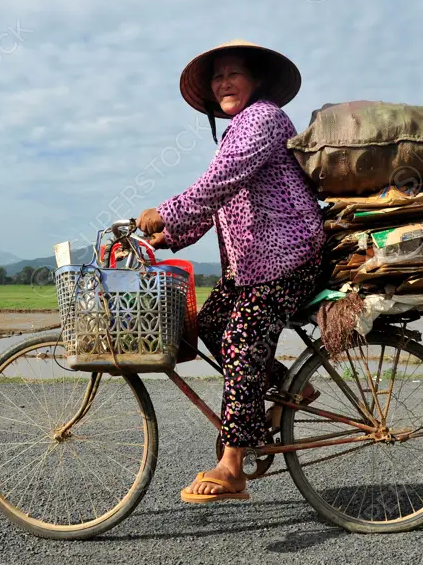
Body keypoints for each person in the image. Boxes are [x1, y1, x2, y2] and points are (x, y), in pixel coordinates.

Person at [138, 39, 325, 503]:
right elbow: (217, 201)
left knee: (241, 336)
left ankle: (233, 465)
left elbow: (219, 181)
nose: (224, 82)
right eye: (217, 77)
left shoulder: (262, 119)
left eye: (233, 74)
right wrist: (169, 235)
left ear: (255, 81)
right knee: (212, 321)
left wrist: (165, 211)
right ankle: (286, 387)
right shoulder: (237, 131)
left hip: (289, 257)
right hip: (252, 266)